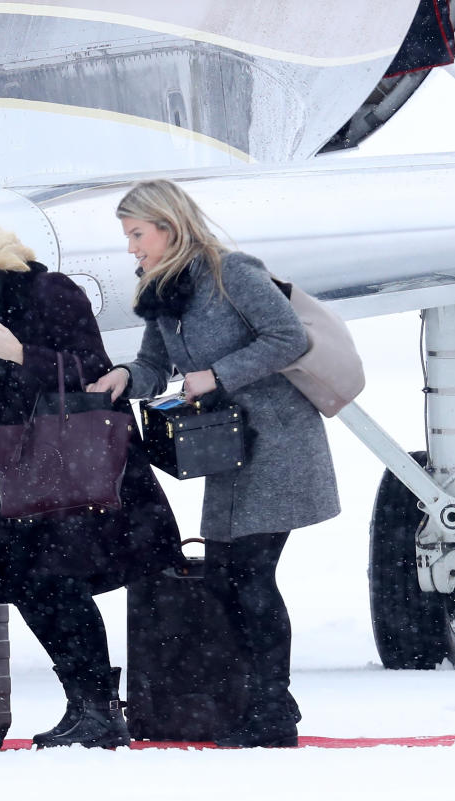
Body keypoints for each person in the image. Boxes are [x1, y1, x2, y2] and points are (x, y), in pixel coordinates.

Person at [88, 179, 340, 748]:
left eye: (136, 234)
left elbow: (289, 337)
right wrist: (127, 377)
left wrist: (218, 375)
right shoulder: (162, 292)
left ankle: (273, 712)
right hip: (227, 450)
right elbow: (155, 367)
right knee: (227, 579)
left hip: (278, 441)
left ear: (168, 228)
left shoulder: (232, 274)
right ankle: (269, 699)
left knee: (250, 576)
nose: (131, 247)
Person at [0, 216, 183, 749]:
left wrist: (24, 356)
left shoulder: (51, 290)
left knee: (60, 582)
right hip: (32, 471)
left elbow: (95, 372)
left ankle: (101, 712)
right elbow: (1, 415)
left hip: (86, 460)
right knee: (32, 585)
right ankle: (86, 704)